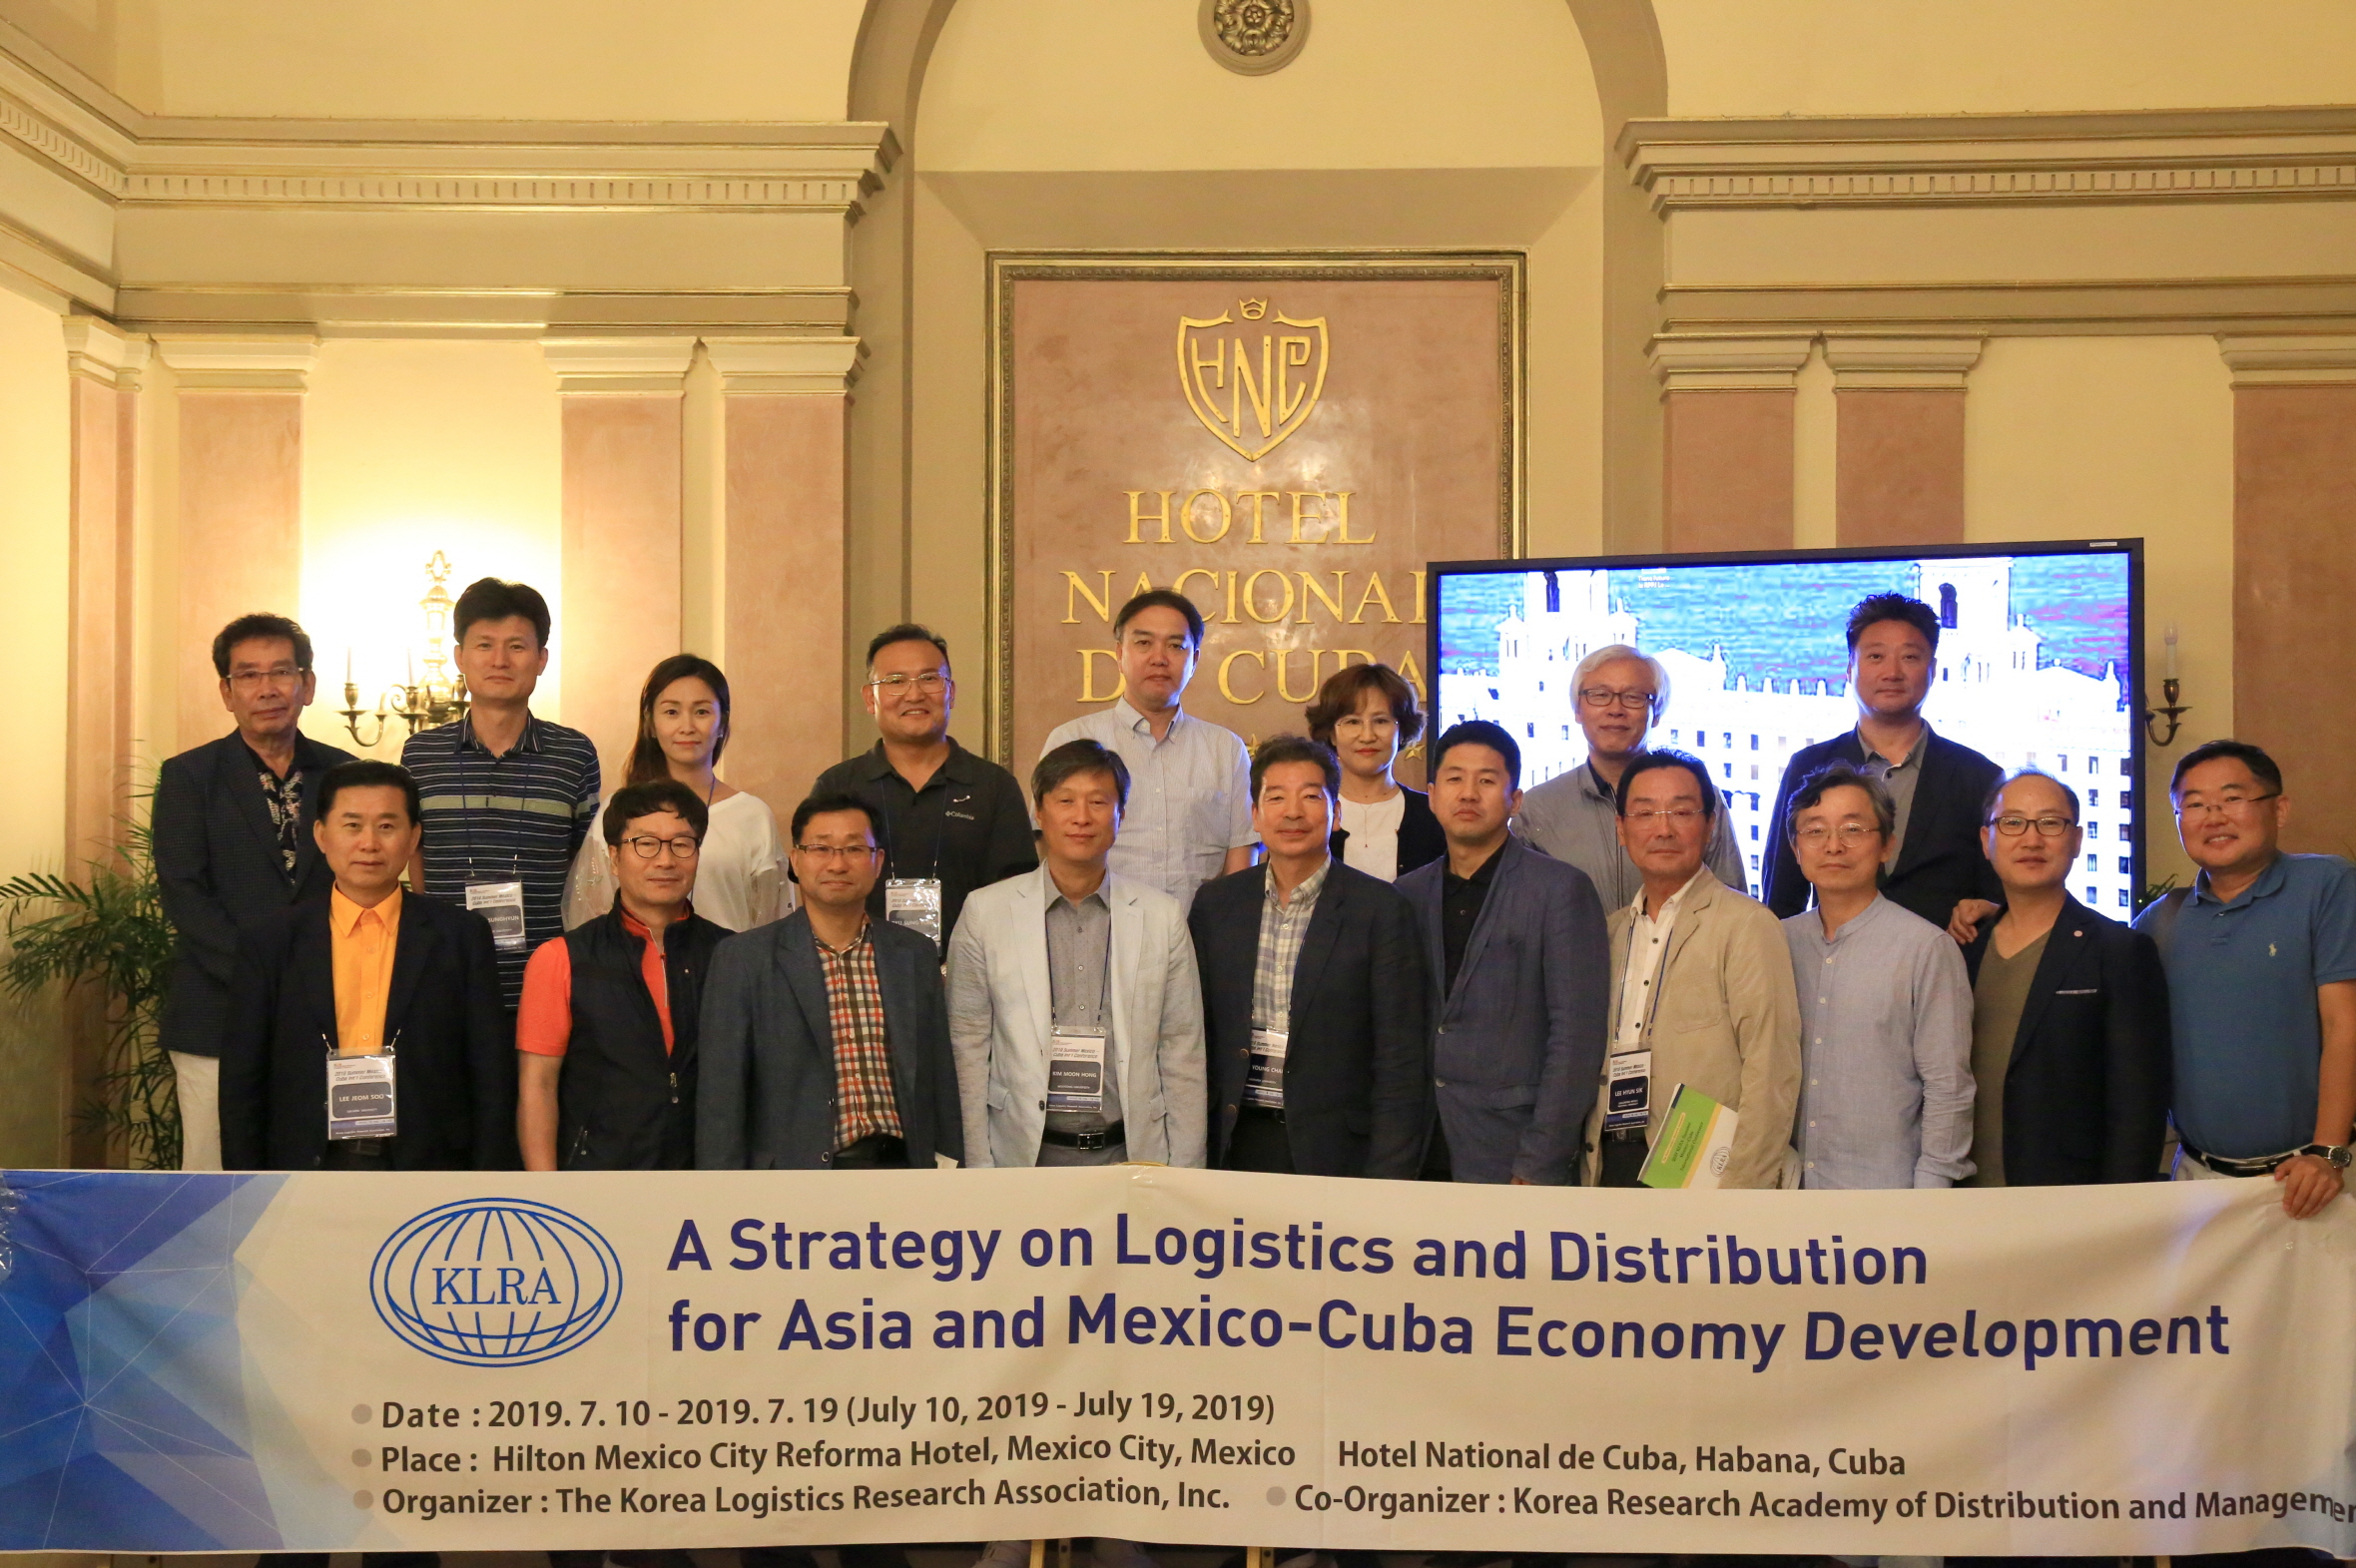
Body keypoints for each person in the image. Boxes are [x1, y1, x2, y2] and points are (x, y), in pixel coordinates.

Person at [217, 761, 509, 1173]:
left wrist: (488, 1181)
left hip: (428, 1166)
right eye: (352, 826)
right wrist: (245, 1186)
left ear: (413, 837)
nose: (369, 843)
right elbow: (242, 1080)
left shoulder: (460, 936)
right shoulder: (270, 941)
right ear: (321, 835)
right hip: (305, 1164)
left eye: (387, 826)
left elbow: (490, 1072)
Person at [154, 613, 353, 1172]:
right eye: (248, 675)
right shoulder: (190, 776)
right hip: (217, 1014)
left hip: (329, 1011)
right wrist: (263, 977)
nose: (267, 689)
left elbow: (364, 884)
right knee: (215, 1172)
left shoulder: (346, 774)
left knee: (321, 1172)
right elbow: (185, 895)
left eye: (281, 672)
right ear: (227, 692)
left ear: (307, 684)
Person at [949, 740, 1207, 1169]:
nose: (1082, 817)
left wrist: (1184, 1171)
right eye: (1065, 800)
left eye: (1099, 802)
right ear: (1039, 811)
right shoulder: (985, 912)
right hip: (1021, 1159)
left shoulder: (1161, 917)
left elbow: (1182, 1049)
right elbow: (968, 1047)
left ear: (1121, 814)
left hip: (1131, 1158)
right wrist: (978, 1166)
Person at [1188, 735, 1430, 1177]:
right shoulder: (1216, 906)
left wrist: (1389, 1176)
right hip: (1234, 1141)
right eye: (1276, 797)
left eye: (1311, 797)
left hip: (1337, 1153)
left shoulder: (1380, 910)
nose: (1293, 812)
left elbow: (1401, 1059)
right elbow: (1192, 1035)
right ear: (1255, 815)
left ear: (1337, 814)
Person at [2135, 740, 2355, 1218]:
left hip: (2312, 1177)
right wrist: (1994, 913)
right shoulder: (2160, 922)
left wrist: (2328, 1153)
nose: (2213, 817)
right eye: (2195, 805)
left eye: (2232, 798)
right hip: (2197, 1178)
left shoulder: (2327, 885)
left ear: (2279, 809)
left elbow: (2345, 1025)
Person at [697, 792, 962, 1172]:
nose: (837, 864)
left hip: (901, 1168)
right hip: (794, 1177)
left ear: (877, 862)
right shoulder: (743, 959)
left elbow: (940, 1076)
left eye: (854, 849)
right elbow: (720, 1097)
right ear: (796, 860)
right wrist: (723, 1189)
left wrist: (951, 1169)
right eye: (821, 848)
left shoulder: (913, 953)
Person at [1395, 721, 1608, 1186]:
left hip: (1512, 1151)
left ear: (1515, 800)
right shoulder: (1406, 895)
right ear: (1432, 796)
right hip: (1418, 1148)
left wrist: (1540, 1159)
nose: (1469, 793)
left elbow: (1576, 1039)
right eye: (1455, 779)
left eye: (1487, 780)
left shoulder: (1560, 890)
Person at [1581, 750, 1800, 1189]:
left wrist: (1742, 1188)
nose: (1663, 828)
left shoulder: (1747, 924)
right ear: (1621, 828)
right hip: (1609, 1158)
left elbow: (1772, 1070)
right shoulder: (1609, 932)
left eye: (1682, 812)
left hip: (1703, 1172)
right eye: (1645, 813)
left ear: (1711, 824)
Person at [1955, 770, 2170, 1187]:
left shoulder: (2119, 951)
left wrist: (2119, 1207)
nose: (2031, 839)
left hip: (2070, 1200)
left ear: (2076, 840)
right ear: (1986, 840)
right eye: (2012, 822)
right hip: (1963, 1195)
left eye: (2050, 823)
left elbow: (2138, 1109)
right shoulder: (1963, 948)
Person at [401, 577, 601, 1012]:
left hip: (549, 978)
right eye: (484, 645)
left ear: (541, 658)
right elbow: (415, 851)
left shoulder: (574, 753)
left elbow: (586, 862)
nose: (499, 660)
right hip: (444, 978)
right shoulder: (421, 753)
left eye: (516, 646)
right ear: (459, 657)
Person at [520, 780, 733, 1171]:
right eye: (646, 843)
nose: (665, 860)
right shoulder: (561, 958)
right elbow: (538, 1086)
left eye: (682, 844)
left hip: (708, 1174)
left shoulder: (733, 955)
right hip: (598, 1173)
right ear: (615, 858)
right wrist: (545, 1191)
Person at [1762, 593, 2003, 936]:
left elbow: (1997, 899)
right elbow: (1782, 898)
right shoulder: (1809, 766)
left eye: (1909, 657)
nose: (1892, 672)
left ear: (1933, 670)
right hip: (1828, 962)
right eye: (1876, 656)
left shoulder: (1979, 777)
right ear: (1850, 669)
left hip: (1943, 962)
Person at [1781, 763, 1974, 1188]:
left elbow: (1948, 1086)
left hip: (1887, 1195)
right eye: (1815, 830)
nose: (1834, 846)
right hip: (1785, 1195)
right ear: (1796, 848)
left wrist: (1931, 1192)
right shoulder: (1775, 943)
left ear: (1887, 845)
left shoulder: (1926, 948)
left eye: (1853, 829)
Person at [812, 624, 1036, 951]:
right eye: (895, 681)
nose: (914, 694)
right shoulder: (837, 786)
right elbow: (817, 887)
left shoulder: (994, 786)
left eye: (929, 679)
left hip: (968, 969)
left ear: (951, 692)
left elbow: (1015, 895)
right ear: (870, 698)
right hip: (860, 969)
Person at [1041, 589, 1254, 912]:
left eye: (1175, 645)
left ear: (1195, 659)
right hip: (1098, 930)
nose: (1159, 658)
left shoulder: (1225, 749)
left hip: (1197, 935)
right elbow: (1046, 845)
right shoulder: (1070, 739)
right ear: (1120, 653)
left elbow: (1241, 855)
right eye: (1143, 643)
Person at [564, 655, 787, 934]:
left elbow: (772, 924)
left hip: (730, 961)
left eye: (702, 712)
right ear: (650, 724)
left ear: (722, 723)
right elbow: (588, 914)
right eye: (671, 712)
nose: (687, 726)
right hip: (632, 961)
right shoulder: (619, 811)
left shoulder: (752, 816)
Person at [1513, 643, 1748, 906]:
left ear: (1657, 712)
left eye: (1634, 697)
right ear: (1578, 710)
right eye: (1599, 695)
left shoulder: (1700, 798)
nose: (1615, 709)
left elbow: (1734, 905)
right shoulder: (1537, 808)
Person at [1303, 661, 1445, 881]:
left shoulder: (1434, 815)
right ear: (1331, 733)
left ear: (1402, 731)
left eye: (1381, 721)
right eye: (1352, 722)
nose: (1367, 736)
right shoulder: (1307, 812)